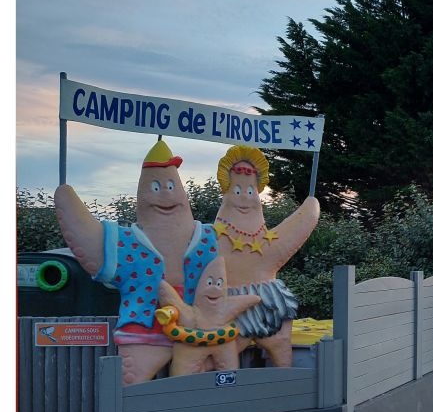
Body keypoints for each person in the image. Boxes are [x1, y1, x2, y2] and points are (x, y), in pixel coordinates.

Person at [54, 139, 219, 384]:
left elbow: (240, 258)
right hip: (143, 328)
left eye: (171, 186)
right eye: (156, 187)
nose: (166, 193)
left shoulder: (208, 238)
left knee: (197, 389)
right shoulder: (128, 242)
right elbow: (94, 246)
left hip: (198, 331)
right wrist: (66, 199)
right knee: (131, 386)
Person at [212, 145, 319, 366]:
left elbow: (291, 234)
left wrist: (310, 207)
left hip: (269, 304)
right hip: (228, 306)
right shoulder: (211, 237)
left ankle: (282, 377)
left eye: (250, 192)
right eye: (238, 191)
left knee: (279, 345)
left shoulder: (267, 242)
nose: (244, 197)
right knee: (225, 354)